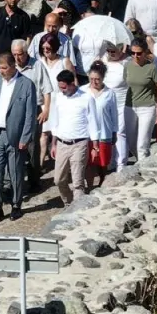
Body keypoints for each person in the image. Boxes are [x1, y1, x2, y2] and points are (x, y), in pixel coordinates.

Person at [0, 53, 37, 221]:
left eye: (4, 68)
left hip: (15, 135)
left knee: (15, 173)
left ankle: (16, 205)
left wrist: (25, 137)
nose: (1, 71)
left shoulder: (26, 84)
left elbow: (30, 114)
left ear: (14, 66)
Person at [48, 69, 95, 205]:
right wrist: (54, 144)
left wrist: (94, 145)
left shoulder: (86, 98)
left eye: (64, 87)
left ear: (72, 84)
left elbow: (92, 122)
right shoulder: (58, 97)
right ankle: (68, 202)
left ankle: (77, 209)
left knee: (78, 182)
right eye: (60, 87)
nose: (62, 90)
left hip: (79, 143)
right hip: (62, 143)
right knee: (58, 179)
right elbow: (55, 122)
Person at [35, 32, 72, 177]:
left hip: (61, 100)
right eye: (43, 48)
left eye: (48, 48)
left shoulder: (64, 61)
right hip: (44, 101)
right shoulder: (39, 61)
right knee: (43, 133)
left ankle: (63, 163)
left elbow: (72, 81)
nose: (46, 51)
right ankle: (39, 165)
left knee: (61, 133)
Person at [11, 39, 45, 189]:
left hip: (34, 109)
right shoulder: (11, 67)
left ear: (26, 53)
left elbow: (47, 89)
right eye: (14, 55)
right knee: (13, 146)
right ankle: (14, 181)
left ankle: (34, 181)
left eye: (20, 54)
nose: (17, 58)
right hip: (15, 110)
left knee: (32, 146)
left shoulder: (37, 65)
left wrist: (46, 109)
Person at [124, 34, 157, 161]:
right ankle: (143, 161)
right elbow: (126, 82)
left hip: (147, 107)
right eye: (133, 53)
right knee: (131, 141)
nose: (135, 56)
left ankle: (143, 170)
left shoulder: (152, 68)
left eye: (139, 53)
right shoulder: (128, 66)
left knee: (142, 144)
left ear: (145, 52)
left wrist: (154, 100)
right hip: (130, 106)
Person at [85, 61, 118, 186]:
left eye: (97, 79)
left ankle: (102, 183)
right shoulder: (83, 91)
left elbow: (114, 115)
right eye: (92, 78)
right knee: (88, 162)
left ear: (103, 78)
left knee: (103, 162)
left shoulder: (110, 93)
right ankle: (88, 185)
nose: (94, 82)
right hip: (87, 133)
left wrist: (115, 131)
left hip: (105, 132)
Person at [101, 42, 132, 169]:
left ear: (121, 49)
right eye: (108, 50)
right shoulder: (103, 60)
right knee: (109, 132)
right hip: (107, 102)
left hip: (121, 103)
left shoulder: (128, 62)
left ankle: (121, 163)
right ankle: (112, 161)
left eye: (113, 51)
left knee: (120, 133)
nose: (110, 53)